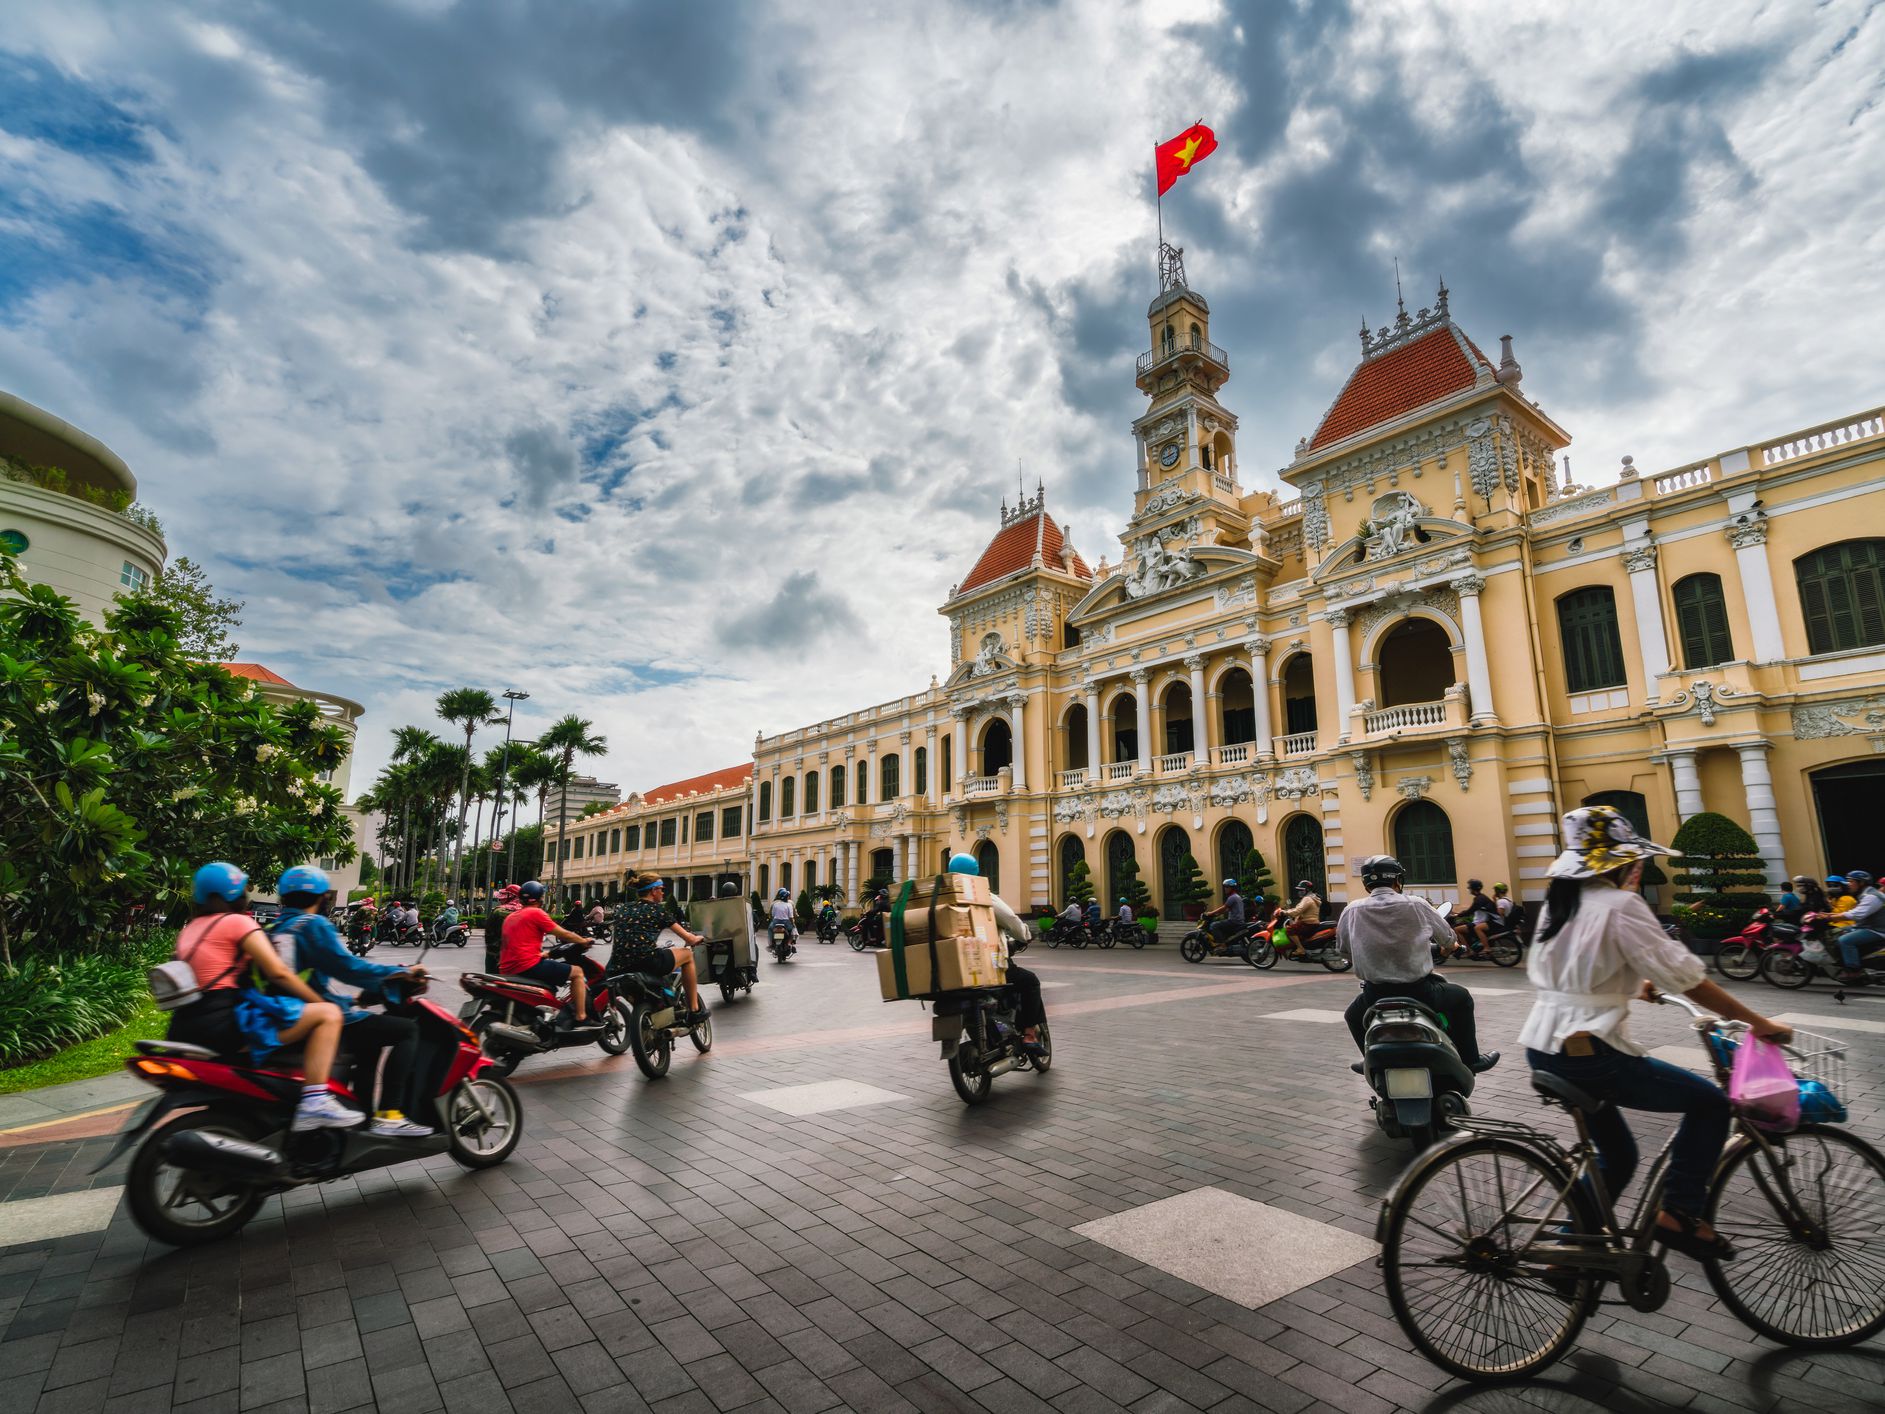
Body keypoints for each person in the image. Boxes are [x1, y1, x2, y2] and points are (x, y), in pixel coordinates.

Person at [1520, 805, 1793, 1262]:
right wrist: (1760, 1024)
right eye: (1636, 859)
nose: (1640, 866)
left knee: (1619, 1156)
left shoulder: (1560, 902)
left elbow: (1577, 971)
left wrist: (1632, 983)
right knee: (1710, 1103)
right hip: (1591, 1054)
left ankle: (1573, 1247)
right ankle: (1681, 1213)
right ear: (1623, 862)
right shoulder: (1621, 904)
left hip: (1545, 1046)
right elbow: (1690, 981)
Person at [167, 863, 360, 1131]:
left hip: (186, 1023)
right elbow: (279, 972)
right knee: (328, 1016)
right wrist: (320, 1002)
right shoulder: (237, 922)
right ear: (234, 893)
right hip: (223, 1022)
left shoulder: (191, 928)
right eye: (244, 889)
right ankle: (315, 1102)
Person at [270, 865, 434, 1137]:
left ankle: (364, 1115)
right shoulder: (312, 925)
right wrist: (402, 972)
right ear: (321, 898)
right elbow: (350, 968)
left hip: (286, 1013)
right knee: (408, 1030)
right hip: (315, 1017)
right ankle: (391, 1114)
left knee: (369, 1044)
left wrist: (354, 998)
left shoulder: (276, 927)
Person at [1338, 855, 1496, 1072]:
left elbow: (1344, 950)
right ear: (1396, 881)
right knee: (1462, 998)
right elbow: (1449, 940)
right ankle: (1471, 1060)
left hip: (1374, 994)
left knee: (1352, 1016)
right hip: (1420, 992)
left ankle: (1371, 1062)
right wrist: (1450, 948)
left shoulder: (1351, 910)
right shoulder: (1416, 904)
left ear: (1366, 884)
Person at [945, 853, 1045, 1053]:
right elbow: (1010, 919)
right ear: (976, 873)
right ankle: (1028, 1034)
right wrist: (1025, 934)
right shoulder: (980, 895)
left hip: (950, 971)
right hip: (985, 966)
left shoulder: (944, 898)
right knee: (1030, 981)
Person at [609, 875, 708, 1022]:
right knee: (687, 954)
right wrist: (698, 938)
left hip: (617, 966)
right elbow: (689, 939)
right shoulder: (658, 910)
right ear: (653, 890)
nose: (663, 893)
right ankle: (694, 1010)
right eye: (661, 889)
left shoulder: (623, 909)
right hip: (648, 961)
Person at [498, 881, 597, 1025]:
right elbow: (563, 934)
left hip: (507, 968)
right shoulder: (536, 913)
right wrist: (583, 941)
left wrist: (543, 954)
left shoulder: (510, 917)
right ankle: (581, 1017)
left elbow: (521, 942)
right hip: (527, 966)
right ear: (541, 898)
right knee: (577, 972)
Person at [1831, 869, 1884, 980]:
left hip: (1877, 930)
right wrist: (1827, 914)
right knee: (1836, 932)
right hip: (1866, 926)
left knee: (1845, 940)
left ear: (1861, 883)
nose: (1848, 885)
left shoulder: (1871, 896)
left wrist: (1829, 917)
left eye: (1851, 882)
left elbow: (1856, 914)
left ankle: (1854, 970)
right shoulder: (1864, 894)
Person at [1279, 880, 1323, 959]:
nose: (1299, 892)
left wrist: (1285, 912)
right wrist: (1288, 911)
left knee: (1289, 930)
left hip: (1308, 923)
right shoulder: (1311, 898)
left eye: (1301, 890)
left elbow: (1298, 911)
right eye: (1299, 890)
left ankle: (1300, 949)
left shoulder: (1307, 899)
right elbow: (1298, 909)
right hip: (1311, 923)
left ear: (1307, 890)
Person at [1452, 878, 1498, 954]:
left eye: (1470, 888)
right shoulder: (1481, 897)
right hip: (1481, 921)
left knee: (1457, 929)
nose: (1469, 890)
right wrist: (1458, 913)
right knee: (1462, 924)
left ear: (1474, 888)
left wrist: (1457, 915)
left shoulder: (1479, 899)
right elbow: (1472, 910)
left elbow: (1470, 911)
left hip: (1480, 922)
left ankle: (1468, 950)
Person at [1202, 878, 1247, 952]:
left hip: (1234, 921)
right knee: (1220, 923)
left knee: (1214, 925)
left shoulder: (1232, 897)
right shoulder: (1237, 897)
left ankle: (1222, 946)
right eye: (1225, 887)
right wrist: (1217, 915)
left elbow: (1223, 907)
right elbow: (1227, 910)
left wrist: (1210, 913)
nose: (1225, 889)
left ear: (1232, 888)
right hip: (1237, 921)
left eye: (1227, 887)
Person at [484, 883, 520, 972]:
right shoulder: (526, 911)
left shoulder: (498, 911)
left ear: (510, 896)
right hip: (519, 957)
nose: (500, 899)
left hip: (496, 954)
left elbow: (489, 933)